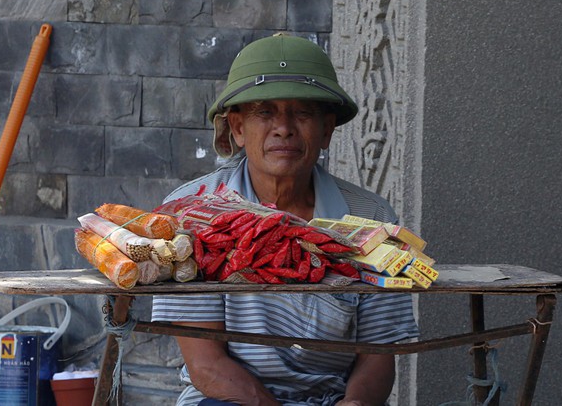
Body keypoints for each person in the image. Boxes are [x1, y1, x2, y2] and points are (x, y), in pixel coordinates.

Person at [152, 33, 419, 406]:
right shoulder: (190, 212)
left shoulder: (373, 218)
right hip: (230, 399)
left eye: (303, 112)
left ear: (326, 130)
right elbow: (207, 365)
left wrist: (355, 402)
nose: (284, 127)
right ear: (238, 128)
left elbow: (378, 352)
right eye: (264, 111)